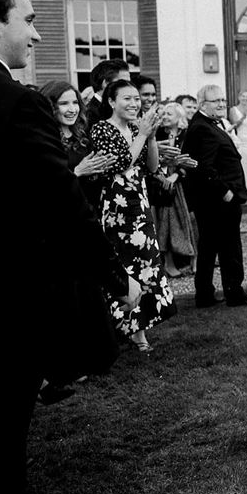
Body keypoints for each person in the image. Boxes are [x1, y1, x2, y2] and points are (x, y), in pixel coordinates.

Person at [0, 0, 141, 494]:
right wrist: (117, 275)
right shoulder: (16, 105)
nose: (38, 36)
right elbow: (63, 203)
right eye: (30, 20)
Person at [91, 79, 176, 353]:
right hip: (115, 211)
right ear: (111, 102)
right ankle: (116, 330)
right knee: (121, 268)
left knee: (144, 266)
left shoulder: (136, 129)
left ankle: (140, 331)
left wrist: (149, 135)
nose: (134, 103)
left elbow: (151, 167)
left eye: (137, 99)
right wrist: (141, 134)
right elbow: (118, 163)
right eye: (126, 98)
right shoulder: (101, 129)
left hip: (139, 207)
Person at [182, 84, 247, 308]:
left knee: (209, 247)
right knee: (229, 248)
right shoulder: (201, 127)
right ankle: (234, 294)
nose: (221, 104)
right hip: (217, 201)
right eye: (216, 101)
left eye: (223, 100)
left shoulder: (206, 124)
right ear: (202, 104)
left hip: (214, 200)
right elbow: (203, 167)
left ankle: (205, 296)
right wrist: (225, 192)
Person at [153, 101, 198, 277]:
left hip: (186, 183)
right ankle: (169, 263)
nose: (164, 117)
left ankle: (195, 261)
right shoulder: (157, 135)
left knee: (193, 221)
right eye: (163, 114)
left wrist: (177, 174)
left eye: (169, 114)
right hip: (163, 184)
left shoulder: (187, 135)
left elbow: (192, 158)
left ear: (179, 117)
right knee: (165, 222)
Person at [227, 89, 247, 201]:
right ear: (239, 97)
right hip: (239, 141)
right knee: (239, 167)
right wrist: (243, 116)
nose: (245, 99)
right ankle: (240, 192)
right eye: (243, 96)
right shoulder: (233, 109)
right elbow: (234, 125)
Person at [85, 58, 130, 129]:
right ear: (106, 83)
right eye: (122, 83)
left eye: (129, 83)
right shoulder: (89, 116)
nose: (129, 87)